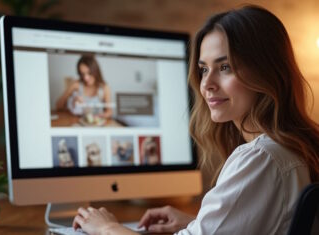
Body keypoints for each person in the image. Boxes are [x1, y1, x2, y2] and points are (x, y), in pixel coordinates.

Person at [72, 5, 319, 235]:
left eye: (225, 67)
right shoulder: (291, 150)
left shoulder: (261, 159)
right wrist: (196, 223)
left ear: (266, 72)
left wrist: (106, 228)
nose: (206, 85)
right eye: (203, 69)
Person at [56, 55, 112, 120]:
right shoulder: (76, 85)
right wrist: (73, 102)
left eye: (89, 73)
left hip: (95, 124)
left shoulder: (104, 87)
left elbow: (109, 111)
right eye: (82, 74)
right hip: (76, 122)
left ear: (96, 71)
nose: (86, 78)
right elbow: (58, 106)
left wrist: (99, 116)